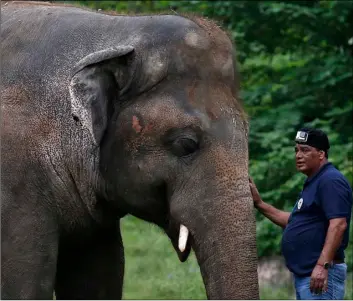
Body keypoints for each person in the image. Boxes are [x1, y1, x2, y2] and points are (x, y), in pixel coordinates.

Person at [249, 127, 352, 300]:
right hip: (308, 276)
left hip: (321, 275)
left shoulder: (330, 180)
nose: (298, 155)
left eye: (305, 150)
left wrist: (322, 266)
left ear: (321, 154)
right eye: (296, 150)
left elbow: (339, 224)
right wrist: (260, 204)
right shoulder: (314, 182)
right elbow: (295, 222)